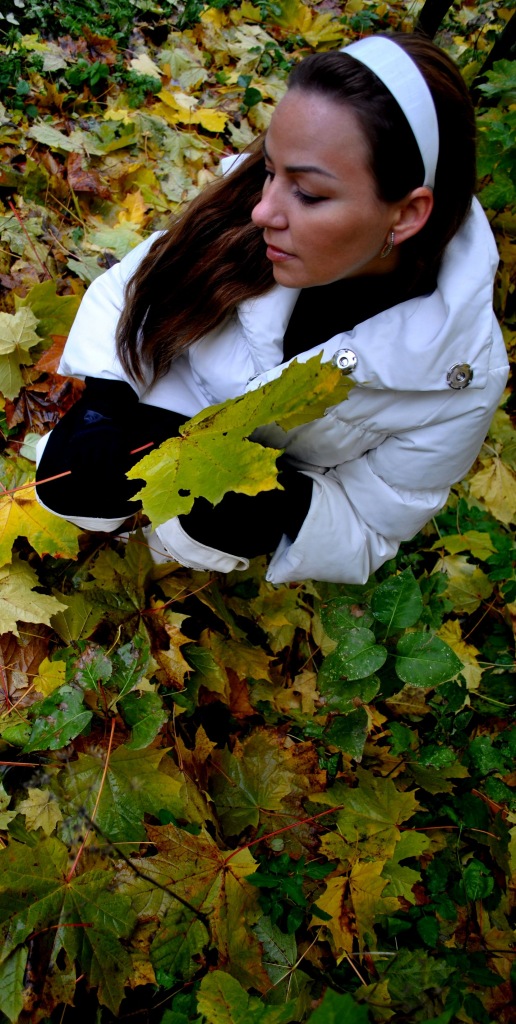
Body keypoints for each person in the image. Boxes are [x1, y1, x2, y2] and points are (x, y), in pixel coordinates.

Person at [35, 34, 509, 585]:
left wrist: (281, 503)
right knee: (71, 482)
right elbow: (130, 289)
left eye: (308, 194)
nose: (263, 211)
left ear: (405, 215)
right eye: (269, 170)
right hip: (149, 425)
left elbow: (373, 522)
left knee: (202, 531)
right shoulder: (238, 213)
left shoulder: (458, 374)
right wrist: (108, 401)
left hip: (240, 516)